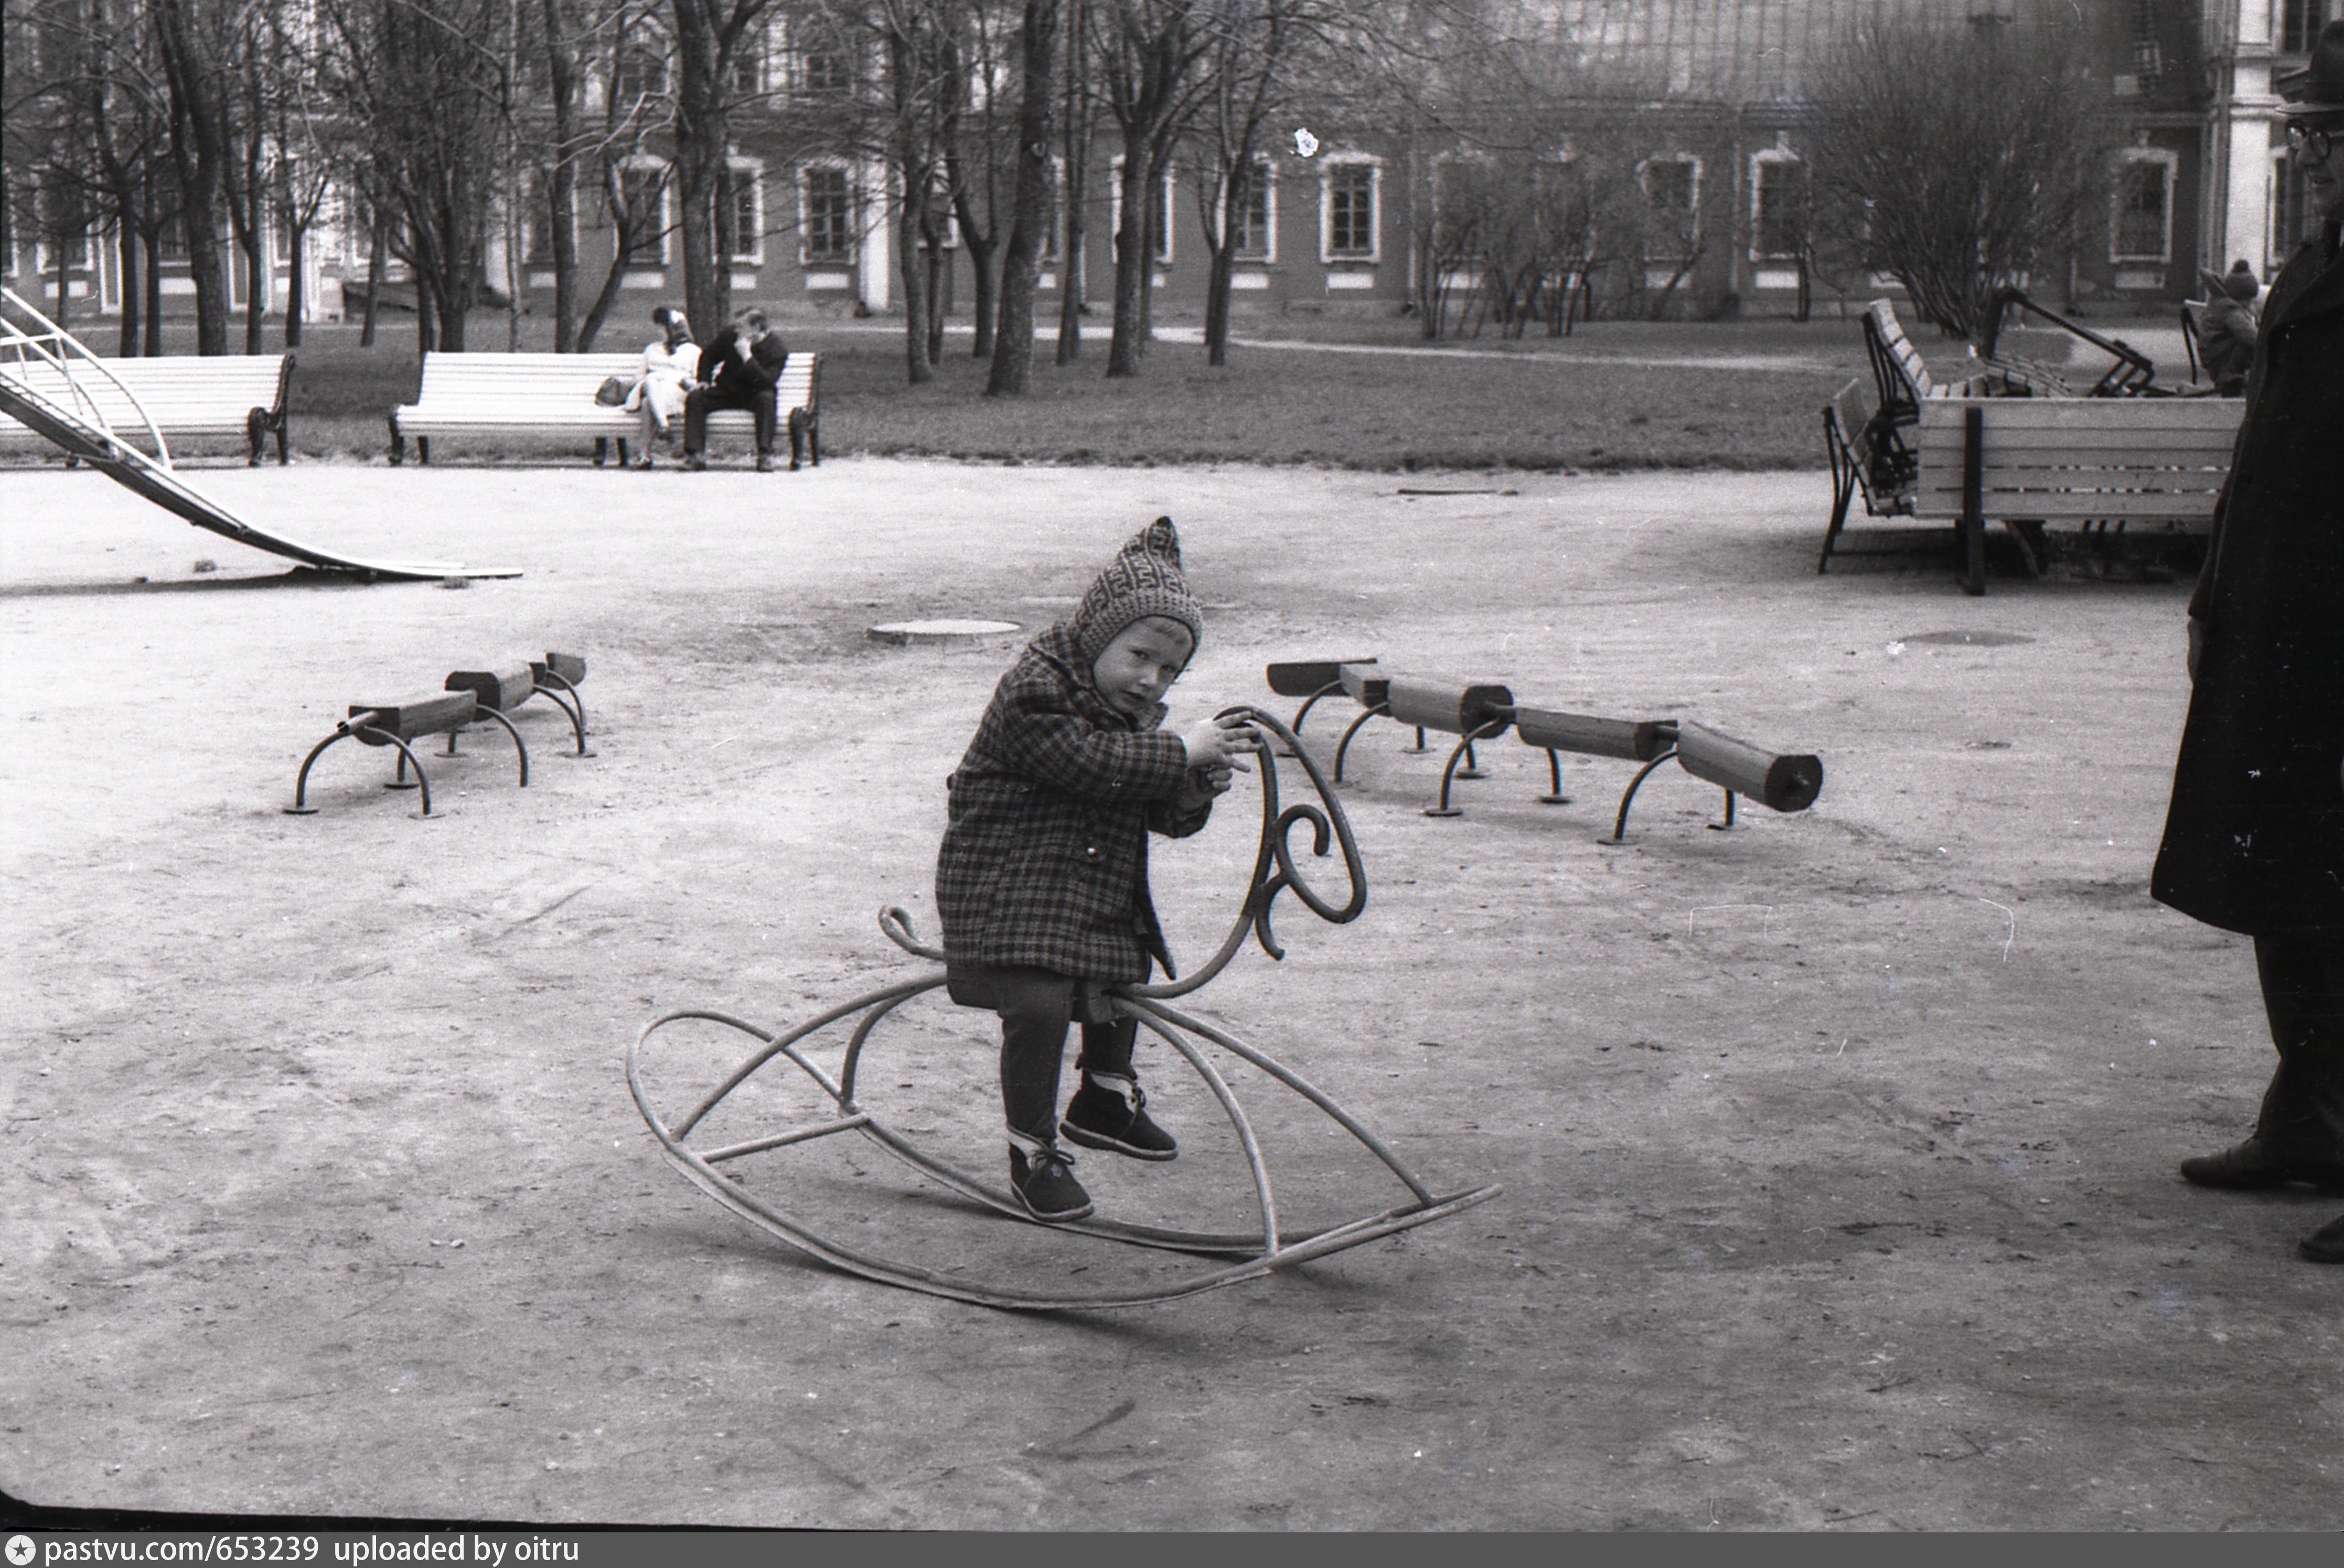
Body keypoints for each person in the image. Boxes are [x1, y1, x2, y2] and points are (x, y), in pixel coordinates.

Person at [2153, 20, 2344, 1266]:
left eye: (2331, 140)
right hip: (2277, 624)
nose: (2311, 160)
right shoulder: (2320, 264)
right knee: (2288, 877)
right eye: (2307, 138)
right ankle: (2312, 1121)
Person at [933, 518, 1257, 1222]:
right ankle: (1032, 1150)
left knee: (1127, 966)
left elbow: (1157, 811)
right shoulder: (1033, 692)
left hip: (1084, 891)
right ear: (1092, 637)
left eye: (1170, 670)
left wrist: (1193, 785)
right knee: (1040, 1003)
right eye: (1140, 655)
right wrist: (1179, 750)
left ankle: (1103, 1096)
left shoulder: (1129, 712)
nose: (1151, 679)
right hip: (1006, 889)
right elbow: (1090, 764)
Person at [682, 306, 787, 472]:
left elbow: (766, 382)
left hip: (754, 394)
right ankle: (695, 456)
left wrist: (747, 356)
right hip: (727, 391)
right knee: (696, 398)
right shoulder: (730, 336)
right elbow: (707, 357)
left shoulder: (776, 349)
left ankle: (765, 455)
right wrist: (703, 380)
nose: (736, 331)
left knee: (767, 398)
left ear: (756, 328)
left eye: (741, 327)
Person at [623, 306, 698, 467]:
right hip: (651, 388)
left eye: (661, 327)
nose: (657, 330)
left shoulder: (692, 351)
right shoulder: (651, 349)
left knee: (648, 403)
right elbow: (639, 376)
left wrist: (679, 380)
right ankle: (664, 427)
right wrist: (651, 380)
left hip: (676, 394)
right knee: (651, 380)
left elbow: (696, 380)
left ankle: (643, 455)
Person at [2193, 261, 2259, 396]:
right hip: (2221, 360)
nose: (2249, 305)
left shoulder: (2222, 302)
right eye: (2248, 300)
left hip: (2215, 354)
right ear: (2239, 296)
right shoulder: (2230, 310)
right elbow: (2250, 336)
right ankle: (2231, 378)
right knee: (2247, 344)